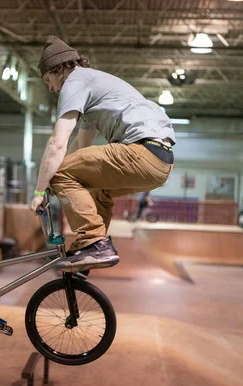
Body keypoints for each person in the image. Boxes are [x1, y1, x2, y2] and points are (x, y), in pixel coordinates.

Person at [28, 36, 176, 273]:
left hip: (141, 151)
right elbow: (82, 143)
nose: (51, 88)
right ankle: (90, 250)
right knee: (97, 187)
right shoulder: (94, 86)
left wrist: (40, 189)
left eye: (49, 80)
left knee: (59, 171)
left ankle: (94, 242)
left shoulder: (75, 83)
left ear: (60, 69)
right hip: (161, 162)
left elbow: (58, 142)